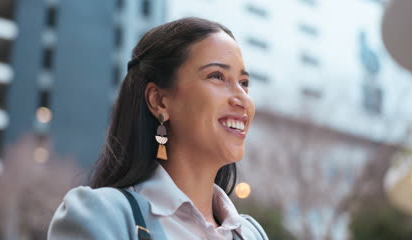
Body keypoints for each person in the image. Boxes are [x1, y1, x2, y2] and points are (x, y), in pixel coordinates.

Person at [47, 17, 268, 240]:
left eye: (244, 83)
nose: (243, 99)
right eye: (216, 76)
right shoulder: (103, 217)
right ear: (159, 101)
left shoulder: (251, 234)